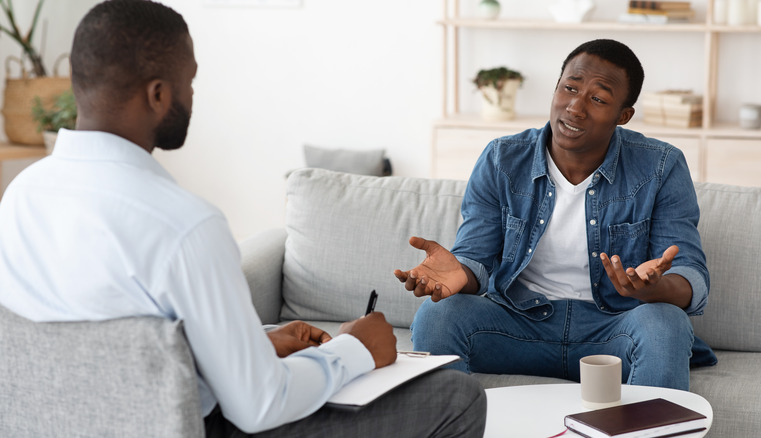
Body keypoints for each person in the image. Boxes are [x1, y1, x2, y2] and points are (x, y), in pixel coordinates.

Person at [0, 1, 486, 437]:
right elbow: (258, 406)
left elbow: (106, 349)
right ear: (157, 94)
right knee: (457, 398)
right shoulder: (184, 226)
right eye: (189, 81)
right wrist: (355, 350)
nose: (192, 95)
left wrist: (248, 344)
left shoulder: (20, 197)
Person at [395, 39, 716, 391]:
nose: (575, 107)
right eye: (570, 88)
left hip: (613, 330)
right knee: (439, 315)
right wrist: (460, 273)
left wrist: (653, 288)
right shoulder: (502, 159)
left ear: (623, 115)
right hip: (518, 325)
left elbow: (690, 275)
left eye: (598, 99)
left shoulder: (661, 166)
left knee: (666, 323)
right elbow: (476, 259)